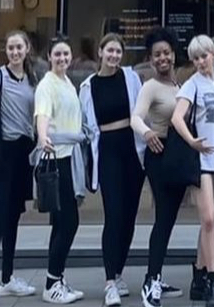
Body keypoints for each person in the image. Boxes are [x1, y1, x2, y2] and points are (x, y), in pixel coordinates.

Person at [0, 31, 41, 307]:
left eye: (19, 47)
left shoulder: (33, 78)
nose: (14, 52)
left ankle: (7, 279)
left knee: (13, 215)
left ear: (26, 49)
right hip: (4, 153)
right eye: (10, 47)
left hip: (24, 152)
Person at [80, 33, 145, 307]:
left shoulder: (131, 78)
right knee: (114, 214)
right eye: (110, 51)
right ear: (100, 51)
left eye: (118, 52)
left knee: (129, 216)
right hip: (107, 151)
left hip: (132, 150)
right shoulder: (88, 86)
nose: (114, 56)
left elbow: (141, 111)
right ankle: (109, 282)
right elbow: (85, 123)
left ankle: (118, 272)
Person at [171, 36, 214, 307]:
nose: (199, 62)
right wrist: (192, 142)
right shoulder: (191, 84)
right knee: (209, 219)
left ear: (213, 55)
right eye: (195, 58)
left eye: (204, 56)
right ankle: (213, 280)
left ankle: (199, 272)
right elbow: (177, 117)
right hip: (202, 162)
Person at [131, 27, 188, 307]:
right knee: (163, 220)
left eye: (166, 52)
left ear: (173, 55)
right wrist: (147, 133)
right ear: (151, 59)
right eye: (157, 54)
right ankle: (150, 281)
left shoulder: (178, 87)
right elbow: (135, 117)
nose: (162, 58)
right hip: (159, 156)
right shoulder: (150, 86)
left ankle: (156, 276)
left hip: (176, 156)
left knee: (168, 221)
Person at [35, 35, 87, 307]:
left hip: (69, 156)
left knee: (62, 223)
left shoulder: (67, 82)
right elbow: (42, 116)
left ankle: (56, 279)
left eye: (66, 54)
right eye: (57, 55)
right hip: (57, 157)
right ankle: (52, 282)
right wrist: (43, 138)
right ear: (49, 57)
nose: (62, 59)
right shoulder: (47, 85)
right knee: (69, 222)